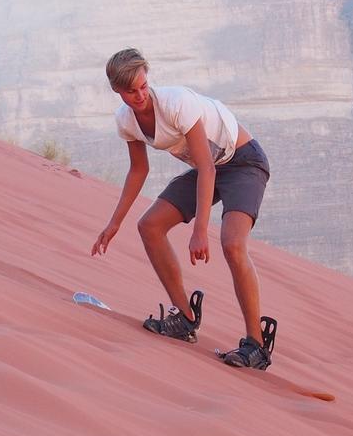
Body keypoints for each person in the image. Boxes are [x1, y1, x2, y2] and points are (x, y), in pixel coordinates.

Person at [90, 48, 275, 369]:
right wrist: (114, 223)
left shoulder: (176, 103)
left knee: (232, 244)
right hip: (212, 168)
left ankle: (256, 345)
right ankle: (185, 319)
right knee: (149, 226)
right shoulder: (126, 121)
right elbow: (138, 171)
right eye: (131, 91)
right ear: (116, 91)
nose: (140, 96)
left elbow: (207, 167)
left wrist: (200, 230)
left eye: (144, 86)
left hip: (243, 162)